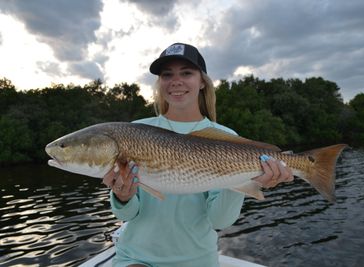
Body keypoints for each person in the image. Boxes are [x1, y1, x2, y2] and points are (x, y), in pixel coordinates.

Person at [102, 43, 294, 267]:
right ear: (160, 82)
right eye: (167, 74)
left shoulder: (224, 137)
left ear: (202, 81)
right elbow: (127, 215)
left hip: (198, 260)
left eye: (186, 72)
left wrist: (245, 178)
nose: (176, 81)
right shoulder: (135, 131)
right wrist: (122, 197)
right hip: (137, 258)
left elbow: (219, 220)